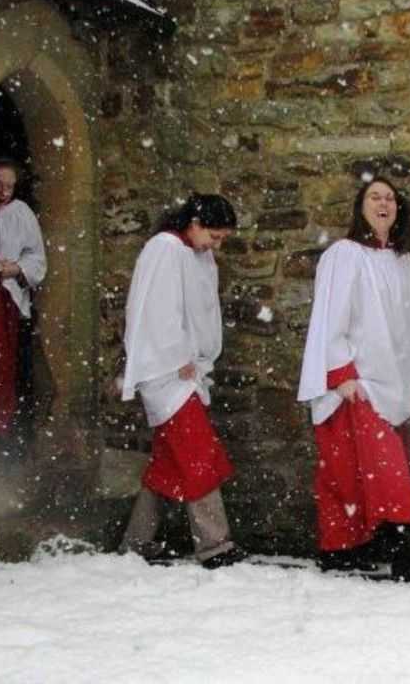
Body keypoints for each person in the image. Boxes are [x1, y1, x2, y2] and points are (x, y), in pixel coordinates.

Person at [297, 175, 410, 581]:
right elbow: (331, 314)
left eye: (390, 198)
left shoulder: (399, 259)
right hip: (357, 384)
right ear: (361, 206)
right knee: (376, 471)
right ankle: (400, 551)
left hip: (390, 380)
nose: (383, 203)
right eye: (374, 196)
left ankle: (342, 551)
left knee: (356, 471)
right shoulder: (345, 254)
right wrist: (340, 371)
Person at [119, 193, 243, 569]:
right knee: (197, 452)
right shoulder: (166, 249)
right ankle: (214, 545)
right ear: (194, 223)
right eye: (214, 236)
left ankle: (135, 543)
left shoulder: (194, 255)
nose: (216, 245)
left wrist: (199, 357)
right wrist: (177, 356)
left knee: (168, 465)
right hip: (168, 372)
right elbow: (157, 309)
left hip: (185, 371)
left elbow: (201, 311)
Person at [0, 158, 46, 452]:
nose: (3, 192)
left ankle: (8, 438)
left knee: (10, 371)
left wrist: (17, 268)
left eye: (9, 186)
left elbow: (37, 258)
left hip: (9, 303)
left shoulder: (22, 214)